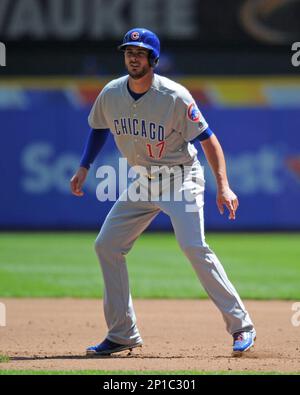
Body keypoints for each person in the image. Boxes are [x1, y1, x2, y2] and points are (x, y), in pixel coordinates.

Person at [70, 28, 256, 356]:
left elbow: (209, 139)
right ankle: (122, 333)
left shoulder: (174, 96)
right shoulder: (111, 93)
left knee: (192, 246)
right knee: (107, 245)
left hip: (181, 179)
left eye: (140, 53)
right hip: (143, 180)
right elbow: (99, 127)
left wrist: (223, 185)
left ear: (153, 60)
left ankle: (241, 326)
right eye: (129, 51)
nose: (133, 57)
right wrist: (84, 166)